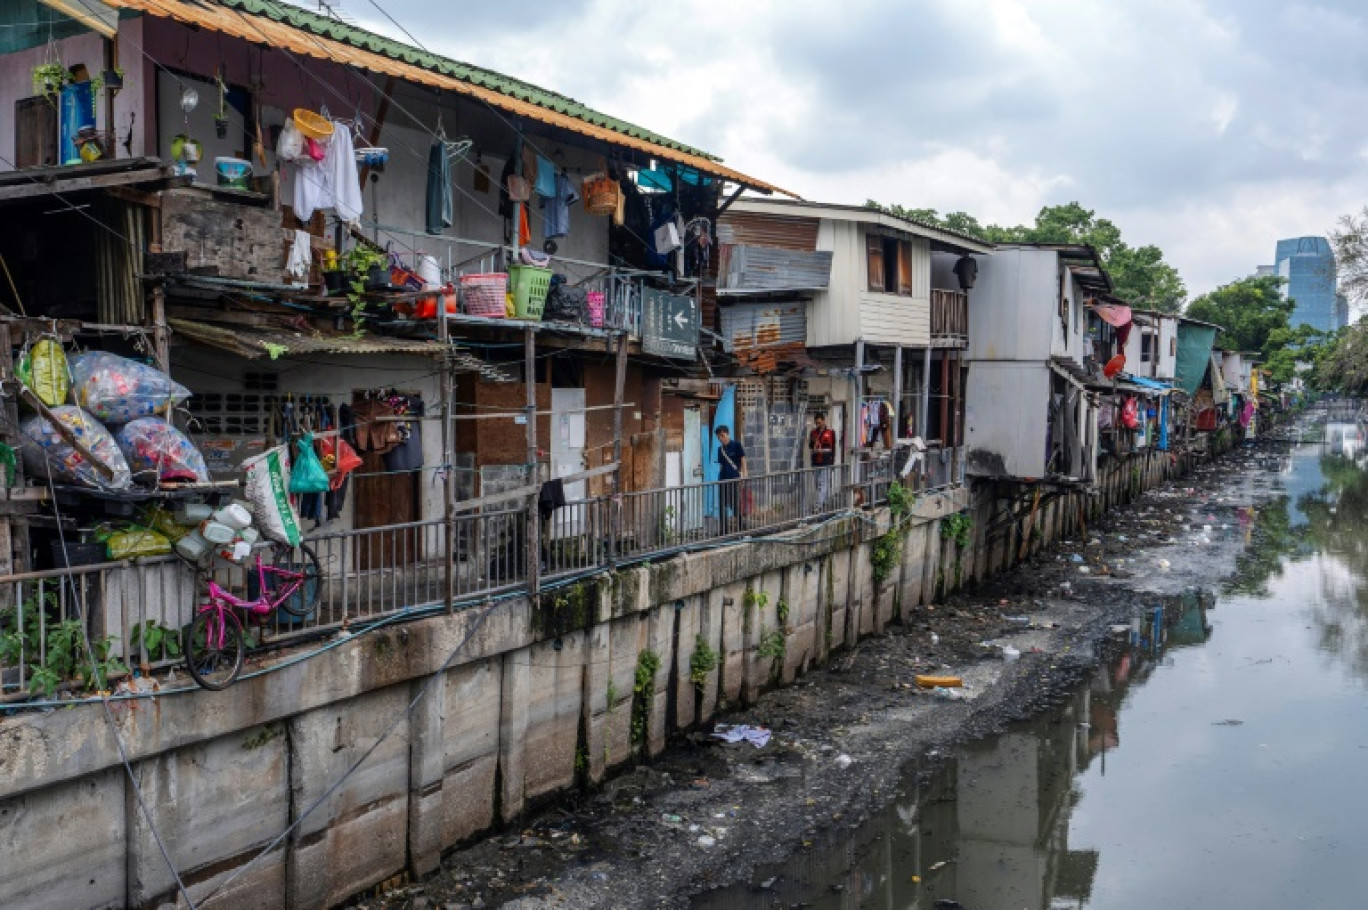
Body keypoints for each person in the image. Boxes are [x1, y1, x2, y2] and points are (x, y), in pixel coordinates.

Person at [715, 425, 746, 532]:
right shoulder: (720, 450)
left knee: (735, 504)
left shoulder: (736, 445)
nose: (721, 439)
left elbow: (743, 460)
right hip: (723, 479)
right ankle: (723, 530)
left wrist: (744, 474)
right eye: (719, 437)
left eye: (722, 436)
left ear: (727, 434)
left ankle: (741, 525)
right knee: (722, 505)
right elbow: (721, 465)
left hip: (734, 478)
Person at [808, 412, 837, 511]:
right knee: (817, 484)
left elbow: (833, 448)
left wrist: (832, 462)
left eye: (819, 423)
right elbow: (810, 446)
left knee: (823, 483)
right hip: (816, 462)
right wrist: (813, 443)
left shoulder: (830, 432)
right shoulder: (813, 432)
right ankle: (824, 502)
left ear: (824, 421)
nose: (818, 425)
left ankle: (818, 506)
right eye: (816, 423)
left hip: (826, 462)